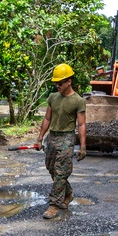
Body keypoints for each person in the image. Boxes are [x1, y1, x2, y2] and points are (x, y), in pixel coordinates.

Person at [33, 63, 87, 219]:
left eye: (60, 83)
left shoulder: (78, 101)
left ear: (69, 81)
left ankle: (54, 205)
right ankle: (68, 194)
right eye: (56, 83)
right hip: (52, 138)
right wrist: (40, 137)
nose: (57, 85)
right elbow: (47, 118)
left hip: (67, 139)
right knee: (52, 169)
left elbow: (82, 124)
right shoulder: (52, 98)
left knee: (61, 173)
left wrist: (83, 147)